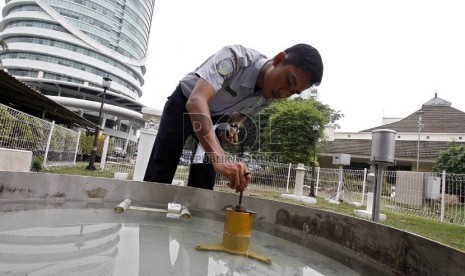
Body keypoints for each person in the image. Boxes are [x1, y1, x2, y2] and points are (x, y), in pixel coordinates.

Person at [144, 44, 323, 192]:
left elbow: (244, 113)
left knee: (205, 177)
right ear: (278, 59)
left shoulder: (271, 94)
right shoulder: (235, 59)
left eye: (293, 92)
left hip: (216, 118)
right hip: (183, 104)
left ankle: (192, 224)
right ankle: (148, 219)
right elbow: (197, 101)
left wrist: (235, 126)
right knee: (162, 167)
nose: (284, 93)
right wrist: (221, 159)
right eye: (289, 81)